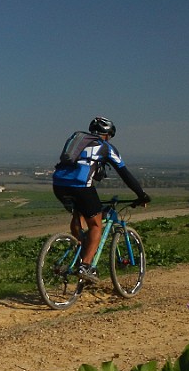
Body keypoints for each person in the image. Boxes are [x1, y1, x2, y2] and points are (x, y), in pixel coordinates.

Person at [52, 116, 151, 283]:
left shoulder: (78, 141)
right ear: (107, 134)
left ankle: (82, 251)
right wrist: (141, 195)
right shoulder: (106, 147)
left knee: (79, 215)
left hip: (59, 184)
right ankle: (86, 266)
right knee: (96, 224)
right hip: (81, 186)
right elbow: (125, 174)